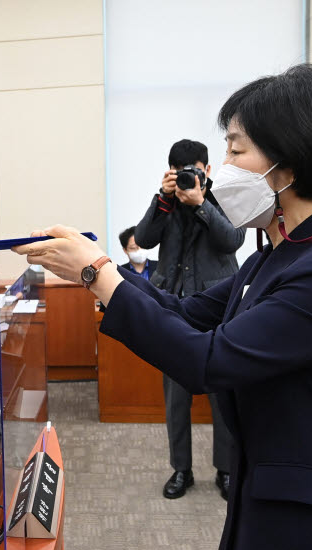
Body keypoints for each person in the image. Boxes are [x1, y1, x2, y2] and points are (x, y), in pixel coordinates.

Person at [16, 64, 312, 550]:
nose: (223, 168)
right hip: (281, 537)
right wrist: (102, 265)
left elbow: (208, 360)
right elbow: (189, 310)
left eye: (236, 148)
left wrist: (97, 276)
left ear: (290, 164)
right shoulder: (278, 255)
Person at [134, 138, 242, 500]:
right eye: (181, 174)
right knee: (175, 397)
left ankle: (226, 470)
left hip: (217, 309)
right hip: (175, 308)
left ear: (207, 171)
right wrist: (162, 200)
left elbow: (233, 241)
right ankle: (181, 470)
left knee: (222, 393)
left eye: (194, 172)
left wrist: (201, 205)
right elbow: (144, 239)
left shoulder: (223, 198)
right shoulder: (166, 201)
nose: (188, 179)